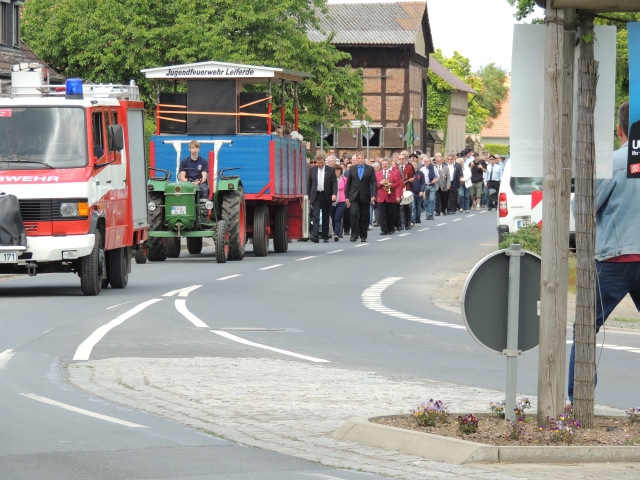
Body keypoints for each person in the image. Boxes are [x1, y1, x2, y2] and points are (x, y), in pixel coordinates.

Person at [568, 101, 640, 404]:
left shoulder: (613, 163)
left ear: (619, 130)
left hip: (616, 258)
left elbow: (583, 208)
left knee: (586, 326)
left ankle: (577, 399)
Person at [345, 151, 377, 242]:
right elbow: (348, 183)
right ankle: (354, 234)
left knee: (364, 216)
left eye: (361, 158)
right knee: (353, 213)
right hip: (354, 195)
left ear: (364, 158)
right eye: (358, 158)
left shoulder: (370, 169)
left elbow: (373, 182)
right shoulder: (352, 169)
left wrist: (373, 195)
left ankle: (363, 235)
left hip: (365, 195)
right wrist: (347, 196)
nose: (360, 160)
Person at [307, 153, 337, 243]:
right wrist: (309, 196)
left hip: (326, 195)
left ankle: (325, 235)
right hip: (315, 195)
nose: (320, 164)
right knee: (315, 215)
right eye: (318, 163)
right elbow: (309, 184)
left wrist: (334, 194)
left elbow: (334, 183)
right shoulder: (312, 170)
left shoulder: (330, 170)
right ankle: (315, 235)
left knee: (325, 216)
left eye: (321, 163)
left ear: (324, 161)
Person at [375, 159, 402, 235]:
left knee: (391, 214)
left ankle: (390, 228)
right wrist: (380, 183)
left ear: (389, 164)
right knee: (382, 214)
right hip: (381, 197)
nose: (384, 165)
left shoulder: (394, 173)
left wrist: (391, 185)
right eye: (383, 164)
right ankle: (383, 229)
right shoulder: (377, 174)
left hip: (391, 197)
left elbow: (398, 184)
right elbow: (374, 184)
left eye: (386, 164)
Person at [397, 151, 415, 229]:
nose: (401, 160)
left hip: (407, 188)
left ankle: (407, 223)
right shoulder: (395, 168)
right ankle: (400, 224)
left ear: (405, 159)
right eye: (399, 159)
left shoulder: (409, 167)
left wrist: (412, 179)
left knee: (407, 207)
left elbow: (412, 177)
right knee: (398, 207)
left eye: (402, 159)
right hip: (398, 189)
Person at [330, 165, 348, 242]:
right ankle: (335, 231)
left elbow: (347, 190)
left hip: (341, 201)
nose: (337, 172)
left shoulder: (344, 179)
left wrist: (348, 199)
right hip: (332, 202)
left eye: (338, 170)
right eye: (336, 170)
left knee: (338, 218)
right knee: (333, 218)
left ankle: (336, 234)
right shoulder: (330, 180)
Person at [410, 159, 426, 225]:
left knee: (418, 208)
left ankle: (418, 220)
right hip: (412, 192)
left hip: (418, 192)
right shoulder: (410, 173)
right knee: (413, 207)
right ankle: (412, 220)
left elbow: (423, 183)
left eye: (415, 164)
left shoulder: (420, 173)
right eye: (413, 165)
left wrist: (422, 191)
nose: (414, 166)